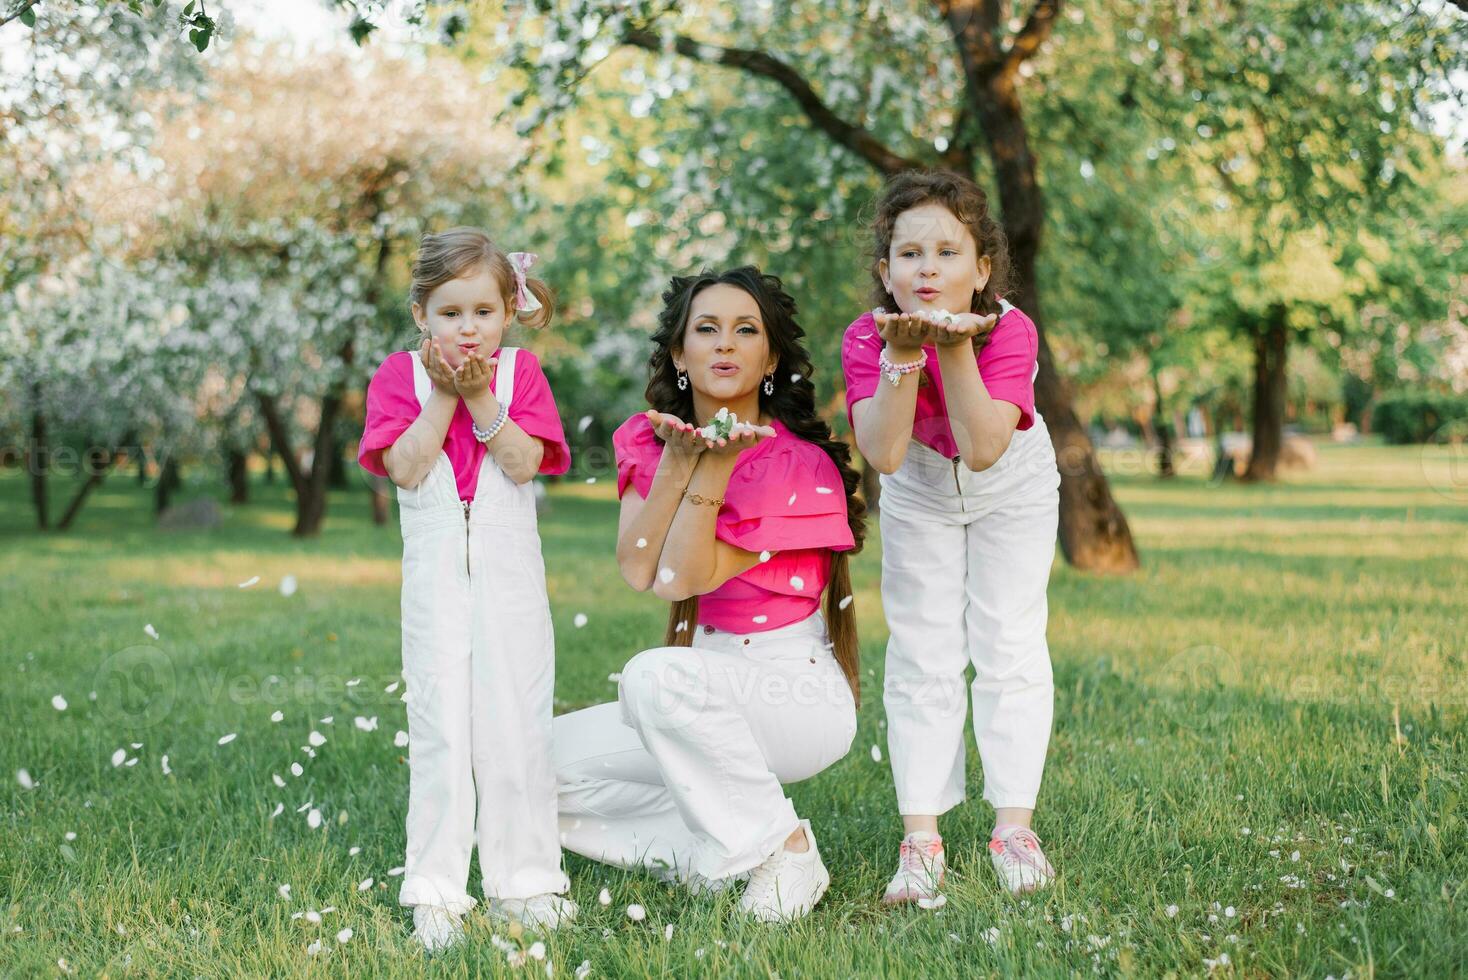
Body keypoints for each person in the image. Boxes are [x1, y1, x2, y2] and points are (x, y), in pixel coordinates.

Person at [552, 267, 865, 922]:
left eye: (746, 330)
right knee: (522, 769)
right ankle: (714, 852)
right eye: (707, 329)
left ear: (771, 357)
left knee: (653, 678)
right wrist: (678, 462)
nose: (725, 344)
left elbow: (679, 580)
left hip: (792, 691)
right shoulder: (649, 440)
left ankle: (787, 846)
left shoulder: (799, 466)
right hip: (700, 679)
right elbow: (639, 568)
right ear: (679, 354)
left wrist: (711, 470)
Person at [841, 171, 1062, 903]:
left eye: (946, 252)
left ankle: (1013, 828)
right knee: (922, 650)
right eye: (909, 254)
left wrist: (958, 342)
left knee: (1009, 642)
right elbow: (886, 453)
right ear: (886, 272)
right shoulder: (864, 339)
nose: (927, 268)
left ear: (982, 270)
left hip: (1010, 482)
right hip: (920, 487)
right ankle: (922, 838)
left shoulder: (1013, 330)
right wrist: (903, 355)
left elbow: (985, 445)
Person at [358, 228, 575, 951]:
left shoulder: (520, 376)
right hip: (435, 577)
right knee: (443, 723)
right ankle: (437, 888)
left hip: (510, 576)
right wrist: (446, 399)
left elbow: (521, 463)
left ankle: (526, 880)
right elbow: (405, 467)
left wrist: (482, 399)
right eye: (450, 313)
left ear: (508, 311)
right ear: (422, 314)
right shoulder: (398, 376)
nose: (467, 328)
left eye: (483, 311)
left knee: (516, 719)